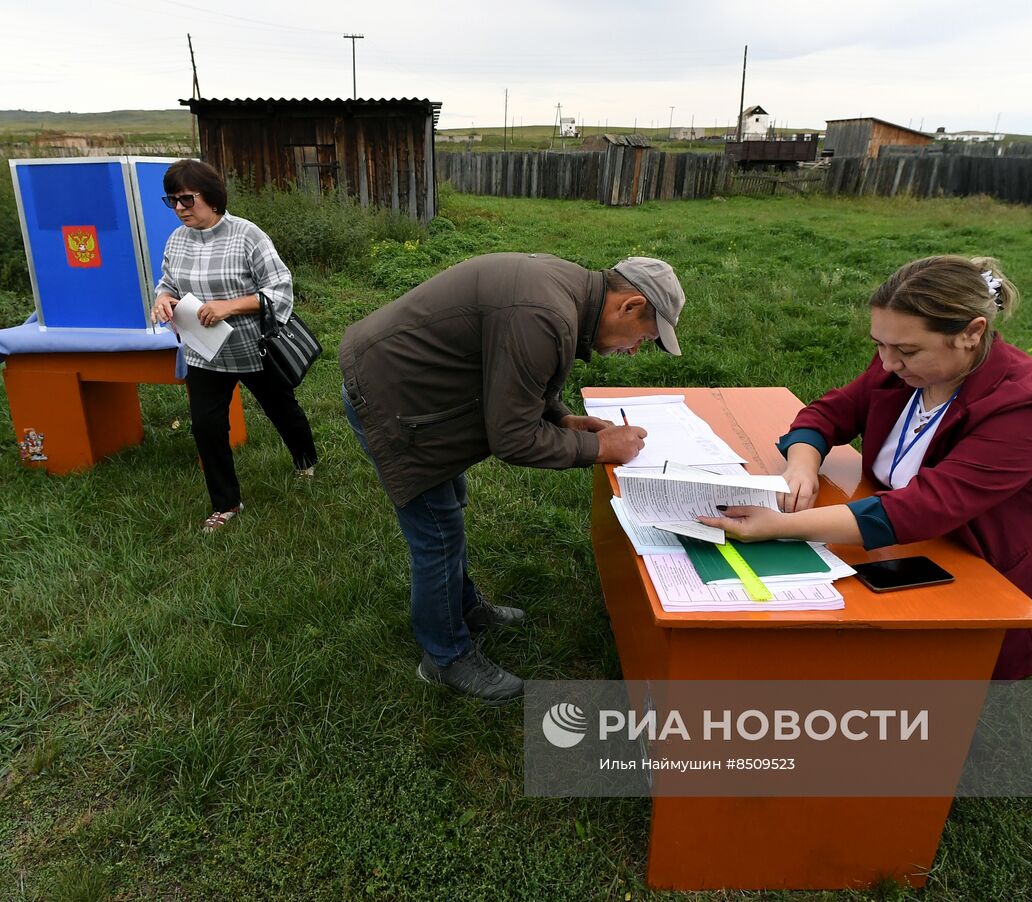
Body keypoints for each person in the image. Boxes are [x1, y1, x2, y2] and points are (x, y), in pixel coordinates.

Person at [698, 255, 1032, 680]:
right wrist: (801, 465)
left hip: (996, 574)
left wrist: (780, 525)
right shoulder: (904, 370)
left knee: (851, 663)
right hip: (909, 547)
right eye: (879, 344)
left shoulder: (1026, 406)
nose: (887, 363)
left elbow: (928, 507)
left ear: (972, 333)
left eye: (907, 350)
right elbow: (829, 412)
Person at [339, 253, 686, 703]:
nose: (635, 349)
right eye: (645, 337)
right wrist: (600, 447)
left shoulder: (565, 292)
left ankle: (462, 608)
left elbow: (519, 377)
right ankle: (445, 658)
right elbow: (513, 439)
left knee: (450, 507)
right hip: (391, 397)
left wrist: (563, 420)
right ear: (629, 305)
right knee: (437, 533)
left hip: (414, 388)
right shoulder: (544, 314)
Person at [151, 159, 318, 532]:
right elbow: (168, 283)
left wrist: (230, 305)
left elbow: (280, 289)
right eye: (172, 201)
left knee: (281, 409)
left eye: (186, 199)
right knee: (206, 426)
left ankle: (305, 460)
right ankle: (226, 503)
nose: (179, 208)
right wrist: (162, 298)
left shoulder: (247, 235)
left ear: (211, 198)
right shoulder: (176, 240)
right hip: (203, 352)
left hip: (254, 348)